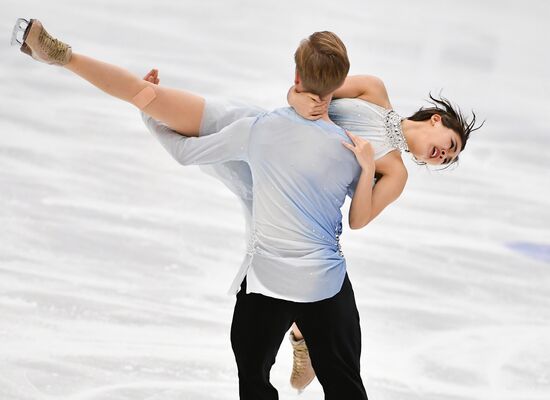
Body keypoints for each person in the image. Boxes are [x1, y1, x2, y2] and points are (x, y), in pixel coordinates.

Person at [12, 18, 482, 398]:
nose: (445, 154)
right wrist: (297, 100)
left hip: (281, 201)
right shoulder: (373, 91)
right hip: (264, 135)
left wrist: (364, 167)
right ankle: (63, 55)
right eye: (451, 143)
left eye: (450, 158)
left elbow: (357, 220)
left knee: (272, 273)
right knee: (151, 97)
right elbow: (311, 90)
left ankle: (300, 335)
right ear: (436, 120)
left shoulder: (393, 173)